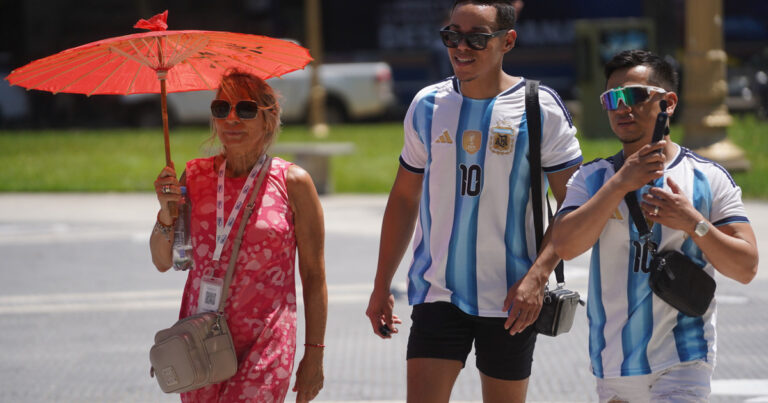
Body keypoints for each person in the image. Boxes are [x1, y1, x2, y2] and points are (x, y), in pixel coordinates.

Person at [365, 1, 583, 402]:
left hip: (512, 300)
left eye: (476, 39)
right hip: (438, 294)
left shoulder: (540, 107)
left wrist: (537, 277)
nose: (460, 47)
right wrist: (381, 285)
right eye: (452, 35)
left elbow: (575, 206)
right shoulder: (427, 105)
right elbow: (403, 197)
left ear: (508, 41)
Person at [552, 50, 759, 402]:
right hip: (612, 366)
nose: (621, 107)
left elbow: (746, 267)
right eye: (611, 98)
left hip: (683, 362)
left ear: (668, 103)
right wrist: (619, 184)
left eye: (633, 95)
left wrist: (693, 222)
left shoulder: (707, 178)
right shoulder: (593, 177)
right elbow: (566, 245)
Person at [149, 69, 327, 403]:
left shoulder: (293, 183)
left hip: (267, 340)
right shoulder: (195, 177)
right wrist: (165, 212)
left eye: (245, 110)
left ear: (268, 118)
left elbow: (314, 276)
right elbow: (162, 261)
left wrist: (314, 354)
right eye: (221, 109)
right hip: (199, 339)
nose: (231, 119)